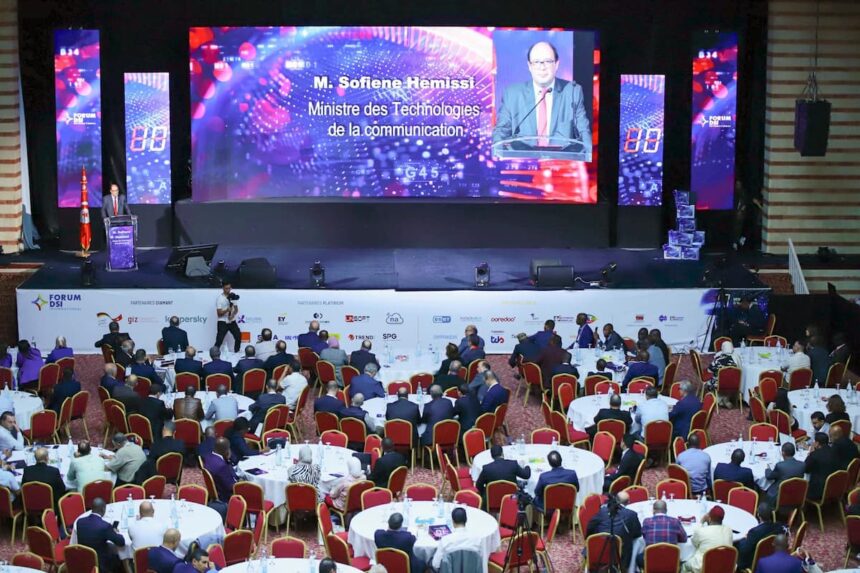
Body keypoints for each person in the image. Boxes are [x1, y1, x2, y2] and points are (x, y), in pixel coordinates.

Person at [492, 40, 591, 157]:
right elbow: (501, 132)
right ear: (529, 66)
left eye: (548, 61)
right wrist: (498, 156)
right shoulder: (512, 94)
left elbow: (584, 131)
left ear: (556, 64)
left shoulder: (573, 91)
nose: (542, 67)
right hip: (523, 161)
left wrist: (588, 156)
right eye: (536, 62)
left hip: (560, 162)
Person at [585, 491, 641, 570]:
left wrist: (589, 540)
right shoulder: (632, 514)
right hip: (621, 554)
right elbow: (637, 534)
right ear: (628, 502)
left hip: (598, 550)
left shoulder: (603, 511)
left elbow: (590, 527)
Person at [75, 497, 126, 573]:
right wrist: (115, 532)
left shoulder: (80, 522)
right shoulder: (105, 526)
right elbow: (121, 542)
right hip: (100, 563)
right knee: (116, 553)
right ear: (103, 509)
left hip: (83, 560)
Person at [637, 499, 687, 568]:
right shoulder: (675, 521)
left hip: (651, 560)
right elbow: (684, 539)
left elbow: (644, 537)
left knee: (638, 558)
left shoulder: (647, 521)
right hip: (671, 560)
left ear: (653, 510)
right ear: (666, 510)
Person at [682, 505, 733, 573]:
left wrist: (701, 522)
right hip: (724, 566)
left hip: (704, 567)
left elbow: (694, 542)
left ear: (709, 518)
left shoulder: (701, 531)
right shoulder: (729, 530)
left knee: (684, 565)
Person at [736, 502, 786, 570]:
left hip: (752, 563)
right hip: (769, 558)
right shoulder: (777, 527)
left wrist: (741, 540)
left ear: (758, 514)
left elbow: (744, 550)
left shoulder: (754, 532)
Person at [203, 437, 238, 505]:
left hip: (215, 489)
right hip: (224, 496)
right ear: (226, 451)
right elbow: (231, 487)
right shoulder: (222, 466)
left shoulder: (207, 457)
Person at [804, 432, 836, 501]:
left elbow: (805, 469)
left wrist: (810, 454)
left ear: (817, 443)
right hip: (833, 487)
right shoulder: (834, 451)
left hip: (818, 490)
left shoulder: (815, 455)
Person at [215, 281, 241, 353]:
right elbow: (219, 314)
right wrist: (227, 310)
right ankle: (214, 354)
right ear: (223, 288)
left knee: (238, 336)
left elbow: (236, 310)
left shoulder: (233, 296)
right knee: (219, 340)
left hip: (232, 321)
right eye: (226, 288)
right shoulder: (219, 299)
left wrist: (232, 315)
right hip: (222, 322)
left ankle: (237, 352)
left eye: (229, 288)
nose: (228, 290)